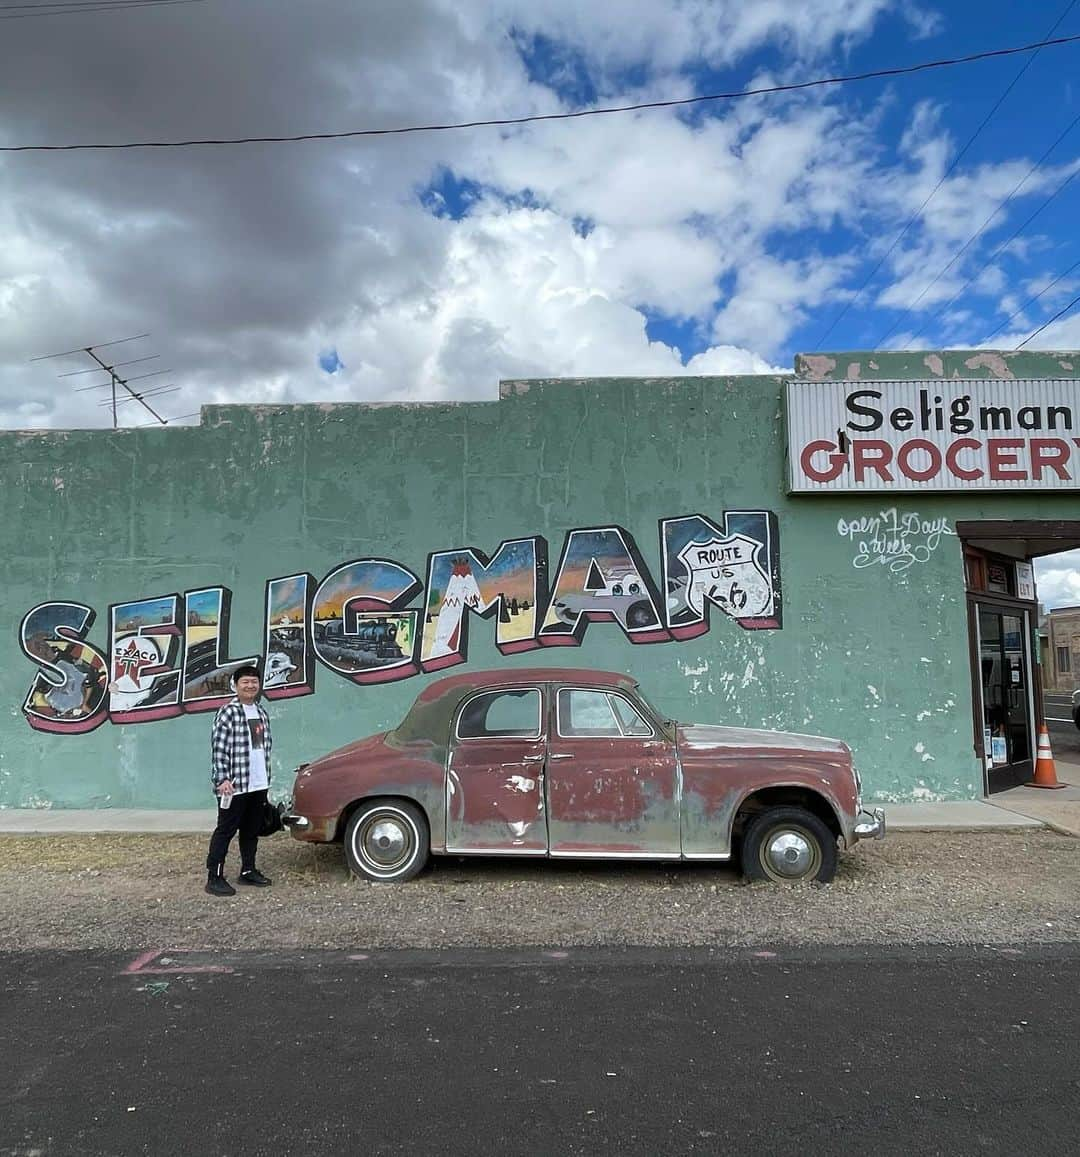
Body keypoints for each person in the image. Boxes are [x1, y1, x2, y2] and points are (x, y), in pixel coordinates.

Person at [205, 665, 274, 896]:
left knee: (251, 831)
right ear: (235, 685)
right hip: (234, 784)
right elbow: (219, 749)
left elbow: (262, 749)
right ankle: (214, 877)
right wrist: (222, 779)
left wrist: (266, 780)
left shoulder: (261, 712)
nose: (250, 685)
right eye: (245, 682)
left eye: (254, 681)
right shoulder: (228, 712)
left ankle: (248, 870)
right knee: (225, 830)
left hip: (257, 784)